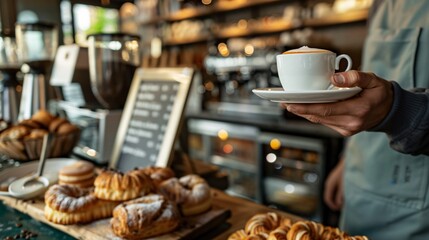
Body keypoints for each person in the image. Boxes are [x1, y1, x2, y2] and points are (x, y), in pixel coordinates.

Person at [282, 1, 429, 239]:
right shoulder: (380, 4)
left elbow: (389, 104)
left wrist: (400, 111)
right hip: (360, 183)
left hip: (414, 211)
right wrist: (346, 162)